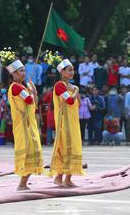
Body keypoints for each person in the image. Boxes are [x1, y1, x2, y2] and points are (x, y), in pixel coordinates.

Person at [5, 54, 43, 191]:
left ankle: (24, 183)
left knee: (34, 151)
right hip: (22, 124)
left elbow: (34, 103)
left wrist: (34, 92)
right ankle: (22, 184)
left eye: (24, 70)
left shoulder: (23, 86)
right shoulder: (16, 87)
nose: (24, 73)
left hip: (29, 123)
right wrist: (32, 91)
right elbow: (29, 100)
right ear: (14, 74)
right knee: (28, 151)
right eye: (21, 71)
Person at [50, 59, 85, 187]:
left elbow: (79, 104)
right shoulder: (59, 85)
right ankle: (61, 178)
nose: (72, 72)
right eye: (69, 70)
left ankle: (65, 179)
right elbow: (70, 101)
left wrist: (76, 90)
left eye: (72, 70)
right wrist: (76, 90)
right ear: (62, 72)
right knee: (67, 148)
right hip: (65, 123)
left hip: (73, 121)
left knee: (74, 147)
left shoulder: (71, 86)